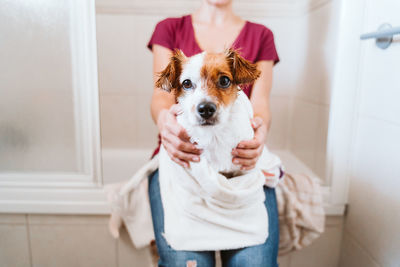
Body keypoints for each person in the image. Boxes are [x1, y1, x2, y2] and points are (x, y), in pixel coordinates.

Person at [147, 0, 280, 266]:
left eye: (222, 82)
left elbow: (260, 104)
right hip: (181, 159)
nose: (207, 101)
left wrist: (259, 134)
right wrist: (165, 123)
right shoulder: (169, 29)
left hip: (241, 163)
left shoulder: (261, 35)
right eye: (188, 83)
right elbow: (161, 96)